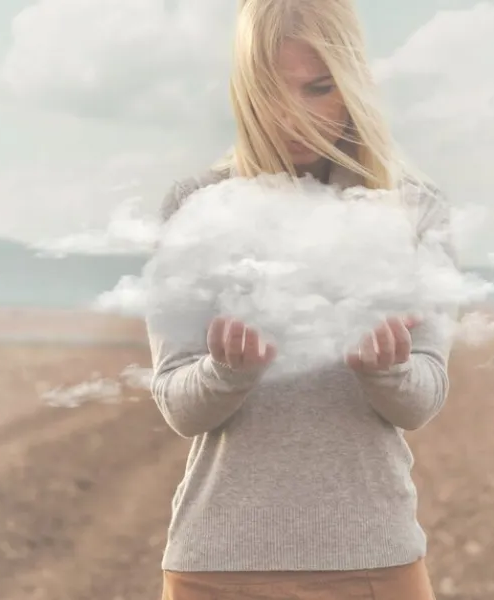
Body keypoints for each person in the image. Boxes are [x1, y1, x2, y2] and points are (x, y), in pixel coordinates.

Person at [148, 0, 456, 598]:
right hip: (217, 572)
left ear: (352, 86)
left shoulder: (416, 210)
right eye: (271, 89)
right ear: (243, 90)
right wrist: (227, 372)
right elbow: (179, 407)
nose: (294, 116)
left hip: (373, 565)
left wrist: (386, 369)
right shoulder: (196, 207)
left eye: (319, 88)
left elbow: (422, 401)